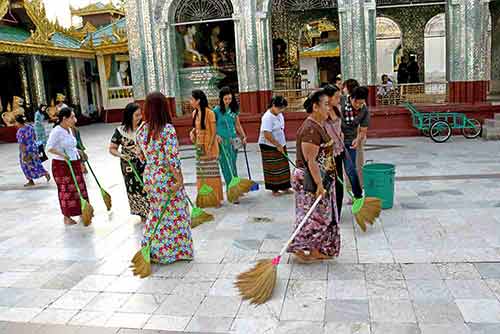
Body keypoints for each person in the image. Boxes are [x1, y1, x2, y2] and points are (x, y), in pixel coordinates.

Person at [136, 92, 193, 264]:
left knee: (156, 213)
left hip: (150, 177)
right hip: (166, 178)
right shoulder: (167, 129)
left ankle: (152, 249)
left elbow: (140, 156)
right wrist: (179, 180)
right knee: (177, 213)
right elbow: (172, 159)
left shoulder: (141, 130)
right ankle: (176, 252)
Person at [287, 89, 340, 262]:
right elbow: (311, 161)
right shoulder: (310, 129)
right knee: (312, 216)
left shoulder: (319, 125)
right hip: (310, 179)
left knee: (323, 216)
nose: (329, 108)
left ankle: (317, 248)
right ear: (315, 107)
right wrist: (319, 185)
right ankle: (299, 248)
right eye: (326, 105)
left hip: (321, 177)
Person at [46, 108, 89, 225]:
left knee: (79, 188)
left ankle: (83, 211)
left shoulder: (69, 129)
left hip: (74, 162)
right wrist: (62, 155)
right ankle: (67, 216)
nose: (74, 120)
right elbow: (49, 148)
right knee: (67, 191)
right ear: (64, 119)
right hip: (62, 166)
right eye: (72, 117)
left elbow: (72, 145)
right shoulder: (56, 131)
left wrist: (79, 153)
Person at [109, 103, 149, 221]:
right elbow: (112, 148)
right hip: (129, 165)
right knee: (134, 188)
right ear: (129, 116)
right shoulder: (120, 131)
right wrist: (122, 155)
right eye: (136, 115)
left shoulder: (144, 128)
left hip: (144, 163)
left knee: (147, 185)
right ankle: (142, 213)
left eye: (140, 115)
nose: (139, 117)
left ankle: (151, 211)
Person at [189, 89, 224, 206]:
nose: (190, 101)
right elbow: (196, 128)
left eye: (192, 99)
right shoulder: (194, 113)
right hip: (199, 146)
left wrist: (209, 146)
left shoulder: (210, 113)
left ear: (198, 101)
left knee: (212, 173)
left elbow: (213, 132)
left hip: (210, 146)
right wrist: (192, 132)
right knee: (202, 174)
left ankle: (216, 199)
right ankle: (204, 199)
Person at [213, 87, 247, 201]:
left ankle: (235, 188)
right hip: (222, 142)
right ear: (221, 99)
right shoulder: (216, 111)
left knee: (233, 165)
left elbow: (237, 125)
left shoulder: (233, 110)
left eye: (230, 99)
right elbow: (212, 127)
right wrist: (216, 135)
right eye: (226, 99)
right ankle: (231, 192)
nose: (228, 101)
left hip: (233, 141)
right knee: (226, 166)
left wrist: (243, 136)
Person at [258, 96, 292, 196]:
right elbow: (267, 134)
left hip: (281, 143)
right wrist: (277, 145)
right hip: (268, 144)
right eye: (279, 108)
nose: (281, 110)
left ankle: (285, 186)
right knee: (273, 168)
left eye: (283, 109)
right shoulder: (267, 117)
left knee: (283, 166)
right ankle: (275, 189)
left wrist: (281, 144)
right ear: (273, 105)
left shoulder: (280, 115)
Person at [341, 86, 370, 199]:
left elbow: (363, 130)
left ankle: (358, 195)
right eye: (356, 103)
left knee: (350, 168)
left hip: (350, 141)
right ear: (351, 98)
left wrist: (357, 139)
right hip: (335, 141)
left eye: (361, 103)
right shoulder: (341, 102)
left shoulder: (364, 110)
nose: (358, 106)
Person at [323, 85, 345, 218]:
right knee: (328, 182)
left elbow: (339, 127)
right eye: (336, 97)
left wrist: (341, 134)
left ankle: (338, 212)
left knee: (339, 182)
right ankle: (327, 212)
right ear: (328, 98)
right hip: (327, 154)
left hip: (338, 150)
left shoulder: (337, 109)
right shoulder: (322, 113)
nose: (339, 99)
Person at [15, 115, 50, 187]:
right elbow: (34, 137)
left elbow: (22, 144)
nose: (15, 124)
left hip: (26, 150)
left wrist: (24, 154)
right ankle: (45, 173)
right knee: (36, 163)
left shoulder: (20, 131)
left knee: (25, 166)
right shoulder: (30, 127)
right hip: (34, 148)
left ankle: (30, 181)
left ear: (18, 122)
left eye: (16, 122)